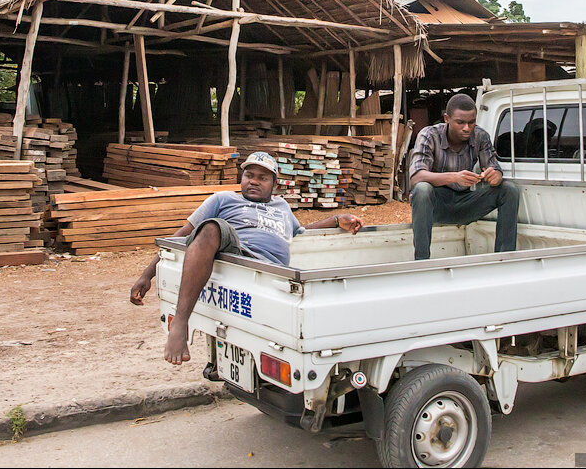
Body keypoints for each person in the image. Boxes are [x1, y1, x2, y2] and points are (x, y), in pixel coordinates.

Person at [129, 151, 365, 365]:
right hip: (237, 254)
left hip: (271, 273)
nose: (253, 181)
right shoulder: (222, 199)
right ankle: (180, 323)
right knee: (210, 228)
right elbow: (179, 237)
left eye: (262, 178)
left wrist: (336, 220)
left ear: (274, 185)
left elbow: (300, 233)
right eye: (249, 175)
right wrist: (147, 275)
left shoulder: (282, 207)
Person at [409, 93, 520, 261]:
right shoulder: (429, 135)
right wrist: (454, 177)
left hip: (466, 203)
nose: (467, 128)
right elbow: (416, 177)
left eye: (471, 122)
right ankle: (422, 261)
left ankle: (504, 259)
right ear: (446, 118)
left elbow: (495, 169)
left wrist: (493, 176)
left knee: (509, 189)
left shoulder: (480, 136)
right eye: (460, 122)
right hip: (436, 205)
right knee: (422, 189)